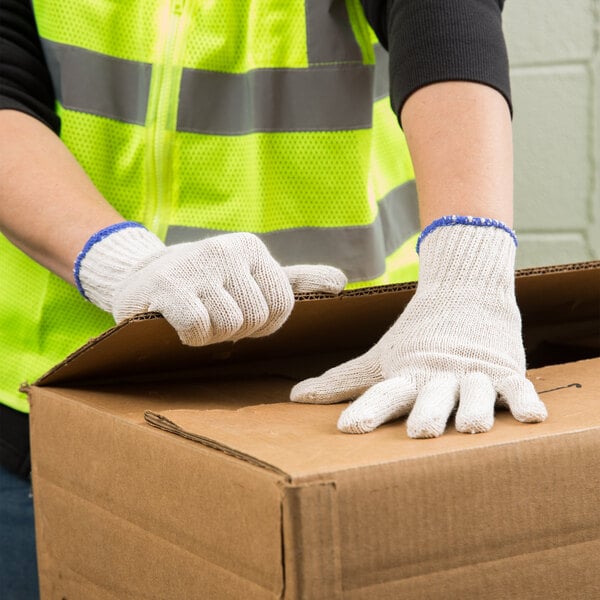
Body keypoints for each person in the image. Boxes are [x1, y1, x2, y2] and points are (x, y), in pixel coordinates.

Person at [1, 0, 548, 597]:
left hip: (332, 396)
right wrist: (122, 263)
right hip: (51, 391)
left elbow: (445, 18)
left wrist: (468, 270)